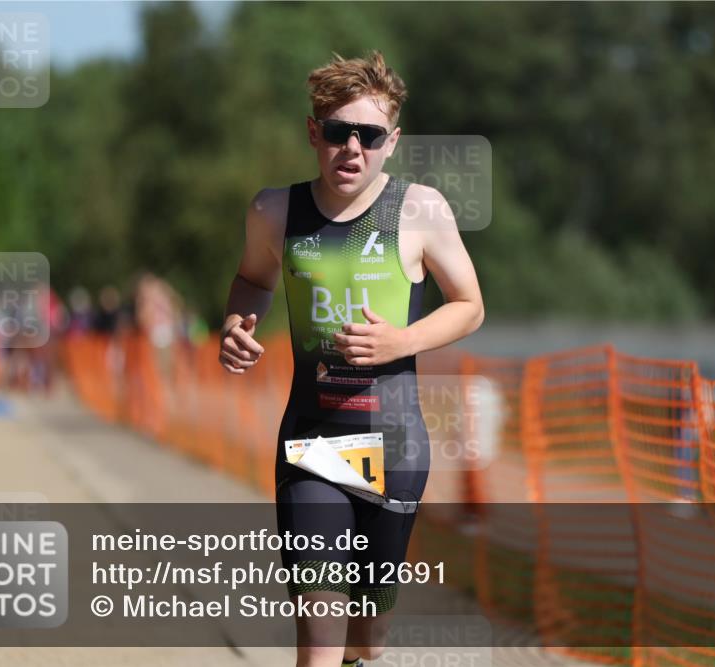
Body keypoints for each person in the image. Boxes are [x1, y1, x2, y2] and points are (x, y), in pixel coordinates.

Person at [219, 51, 484, 667]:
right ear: (315, 133)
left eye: (369, 136)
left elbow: (469, 305)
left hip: (396, 447)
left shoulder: (419, 210)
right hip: (313, 441)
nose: (352, 149)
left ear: (392, 142)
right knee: (318, 635)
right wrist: (236, 323)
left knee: (368, 638)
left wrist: (402, 342)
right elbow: (250, 281)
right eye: (339, 132)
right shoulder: (273, 211)